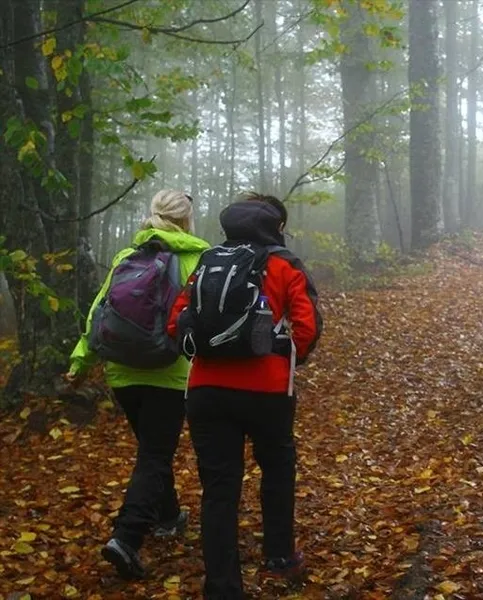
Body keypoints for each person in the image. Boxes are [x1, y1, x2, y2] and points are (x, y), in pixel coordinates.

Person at [169, 193, 322, 599]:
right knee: (276, 469)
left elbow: (176, 320)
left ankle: (222, 586)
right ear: (276, 227)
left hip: (206, 390)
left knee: (219, 488)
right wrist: (287, 357)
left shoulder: (209, 261)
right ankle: (278, 559)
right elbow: (306, 326)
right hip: (268, 391)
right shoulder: (284, 264)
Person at [66, 189, 210, 579]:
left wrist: (81, 360)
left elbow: (99, 311)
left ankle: (167, 515)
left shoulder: (126, 257)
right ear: (186, 220)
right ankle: (126, 537)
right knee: (155, 455)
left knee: (151, 449)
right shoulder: (197, 258)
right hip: (170, 371)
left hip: (123, 371)